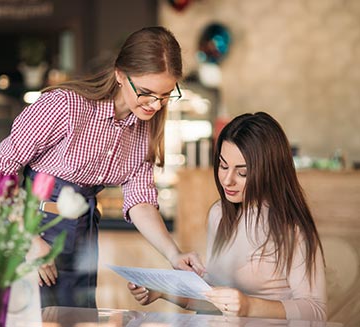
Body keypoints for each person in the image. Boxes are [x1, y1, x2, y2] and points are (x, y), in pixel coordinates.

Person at [0, 26, 204, 308]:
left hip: (82, 235)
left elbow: (141, 201)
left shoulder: (142, 130)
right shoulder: (65, 106)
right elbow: (1, 169)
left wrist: (174, 254)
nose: (155, 105)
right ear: (120, 74)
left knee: (77, 318)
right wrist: (31, 241)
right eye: (147, 92)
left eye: (165, 95)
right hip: (32, 226)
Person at [128, 112, 327, 321]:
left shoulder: (291, 227)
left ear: (269, 171)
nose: (227, 180)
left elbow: (316, 311)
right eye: (223, 166)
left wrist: (250, 306)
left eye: (242, 173)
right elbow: (213, 301)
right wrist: (163, 290)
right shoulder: (219, 214)